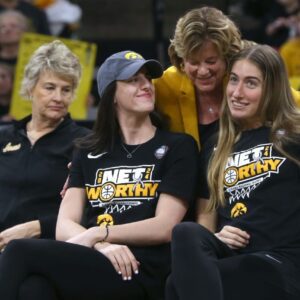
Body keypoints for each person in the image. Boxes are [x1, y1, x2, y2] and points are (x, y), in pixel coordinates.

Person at [0, 50, 198, 300]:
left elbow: (166, 226)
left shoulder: (178, 145)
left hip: (140, 265)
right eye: (133, 80)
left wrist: (99, 233)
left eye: (147, 78)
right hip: (97, 258)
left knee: (18, 251)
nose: (146, 85)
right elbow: (64, 225)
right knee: (34, 289)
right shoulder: (88, 150)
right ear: (111, 95)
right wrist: (101, 245)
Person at [166, 44, 300, 300]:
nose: (236, 93)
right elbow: (205, 222)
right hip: (233, 256)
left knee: (177, 285)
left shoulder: (293, 135)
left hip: (280, 259)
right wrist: (217, 237)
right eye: (234, 80)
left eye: (251, 83)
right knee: (185, 233)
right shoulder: (215, 146)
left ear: (271, 89)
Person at [154, 6, 300, 149]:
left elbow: (291, 100)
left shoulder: (244, 72)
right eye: (193, 62)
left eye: (211, 61)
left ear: (227, 56)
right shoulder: (165, 84)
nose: (203, 71)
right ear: (181, 60)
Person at [0, 40, 89, 250]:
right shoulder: (3, 137)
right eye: (49, 87)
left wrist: (37, 227)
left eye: (66, 90)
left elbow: (91, 212)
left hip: (45, 248)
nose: (58, 97)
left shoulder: (85, 143)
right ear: (30, 88)